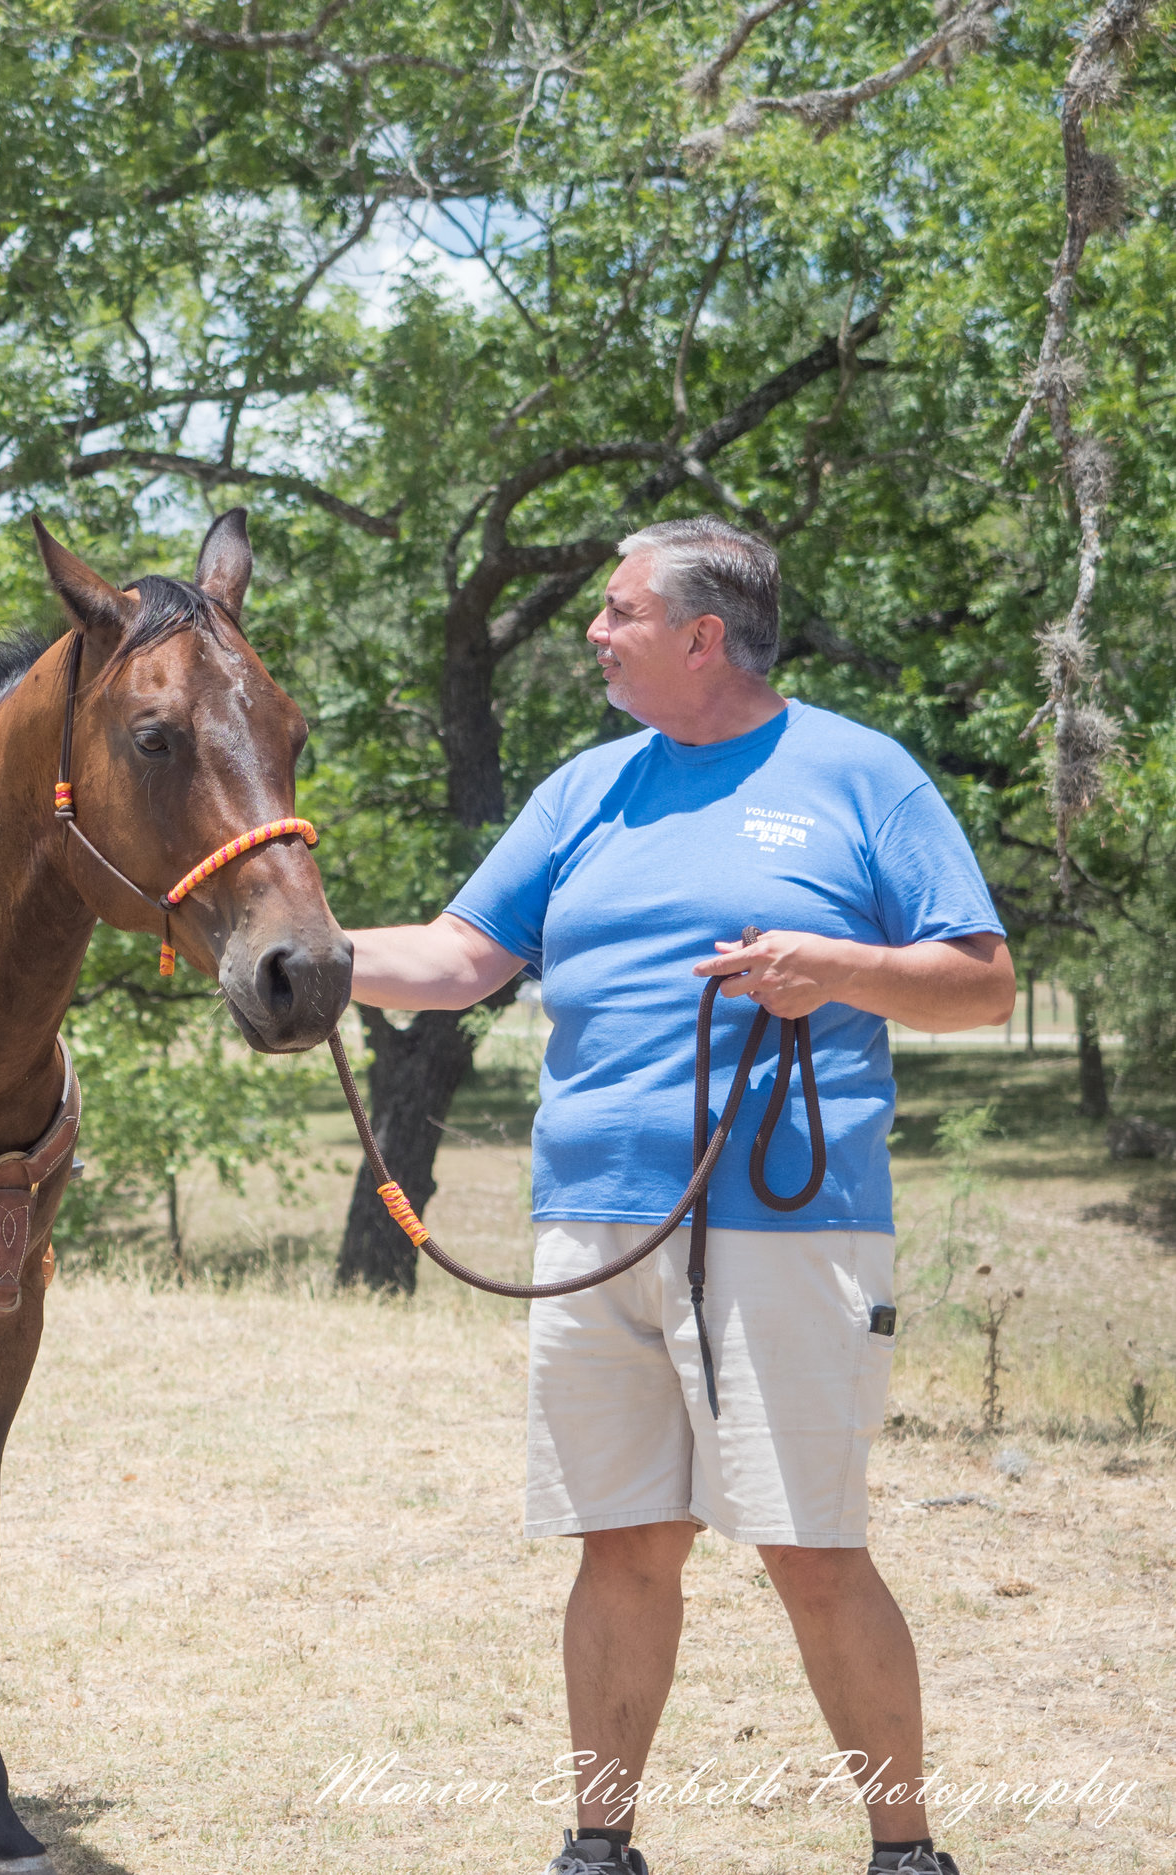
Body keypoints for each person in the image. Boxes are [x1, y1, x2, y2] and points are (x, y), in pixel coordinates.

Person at [342, 518, 1014, 1875]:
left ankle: (906, 1849)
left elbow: (983, 977)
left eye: (618, 610)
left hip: (790, 1224)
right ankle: (600, 1843)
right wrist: (301, 948)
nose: (593, 630)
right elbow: (461, 956)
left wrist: (838, 966)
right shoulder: (586, 788)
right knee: (620, 1541)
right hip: (593, 1223)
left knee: (810, 1545)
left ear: (704, 634)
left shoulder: (860, 774)